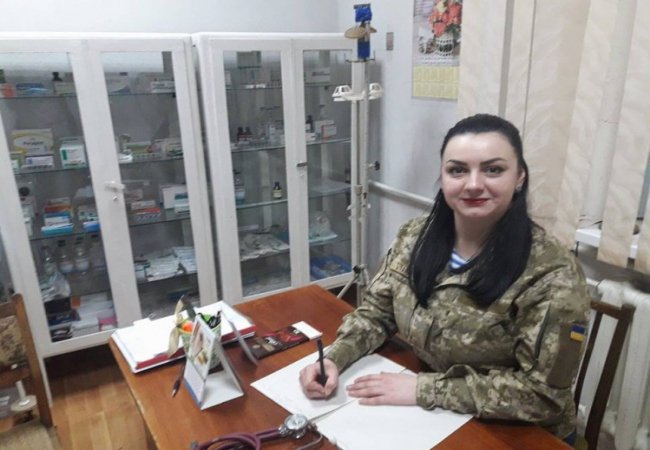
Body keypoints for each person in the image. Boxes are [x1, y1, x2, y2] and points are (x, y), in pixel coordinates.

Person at [299, 114, 589, 442]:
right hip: (433, 416)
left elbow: (543, 397)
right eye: (458, 170)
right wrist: (334, 358)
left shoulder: (553, 275)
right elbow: (377, 313)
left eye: (493, 170)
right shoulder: (414, 237)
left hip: (518, 434)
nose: (473, 184)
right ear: (442, 176)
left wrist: (425, 390)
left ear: (519, 177)